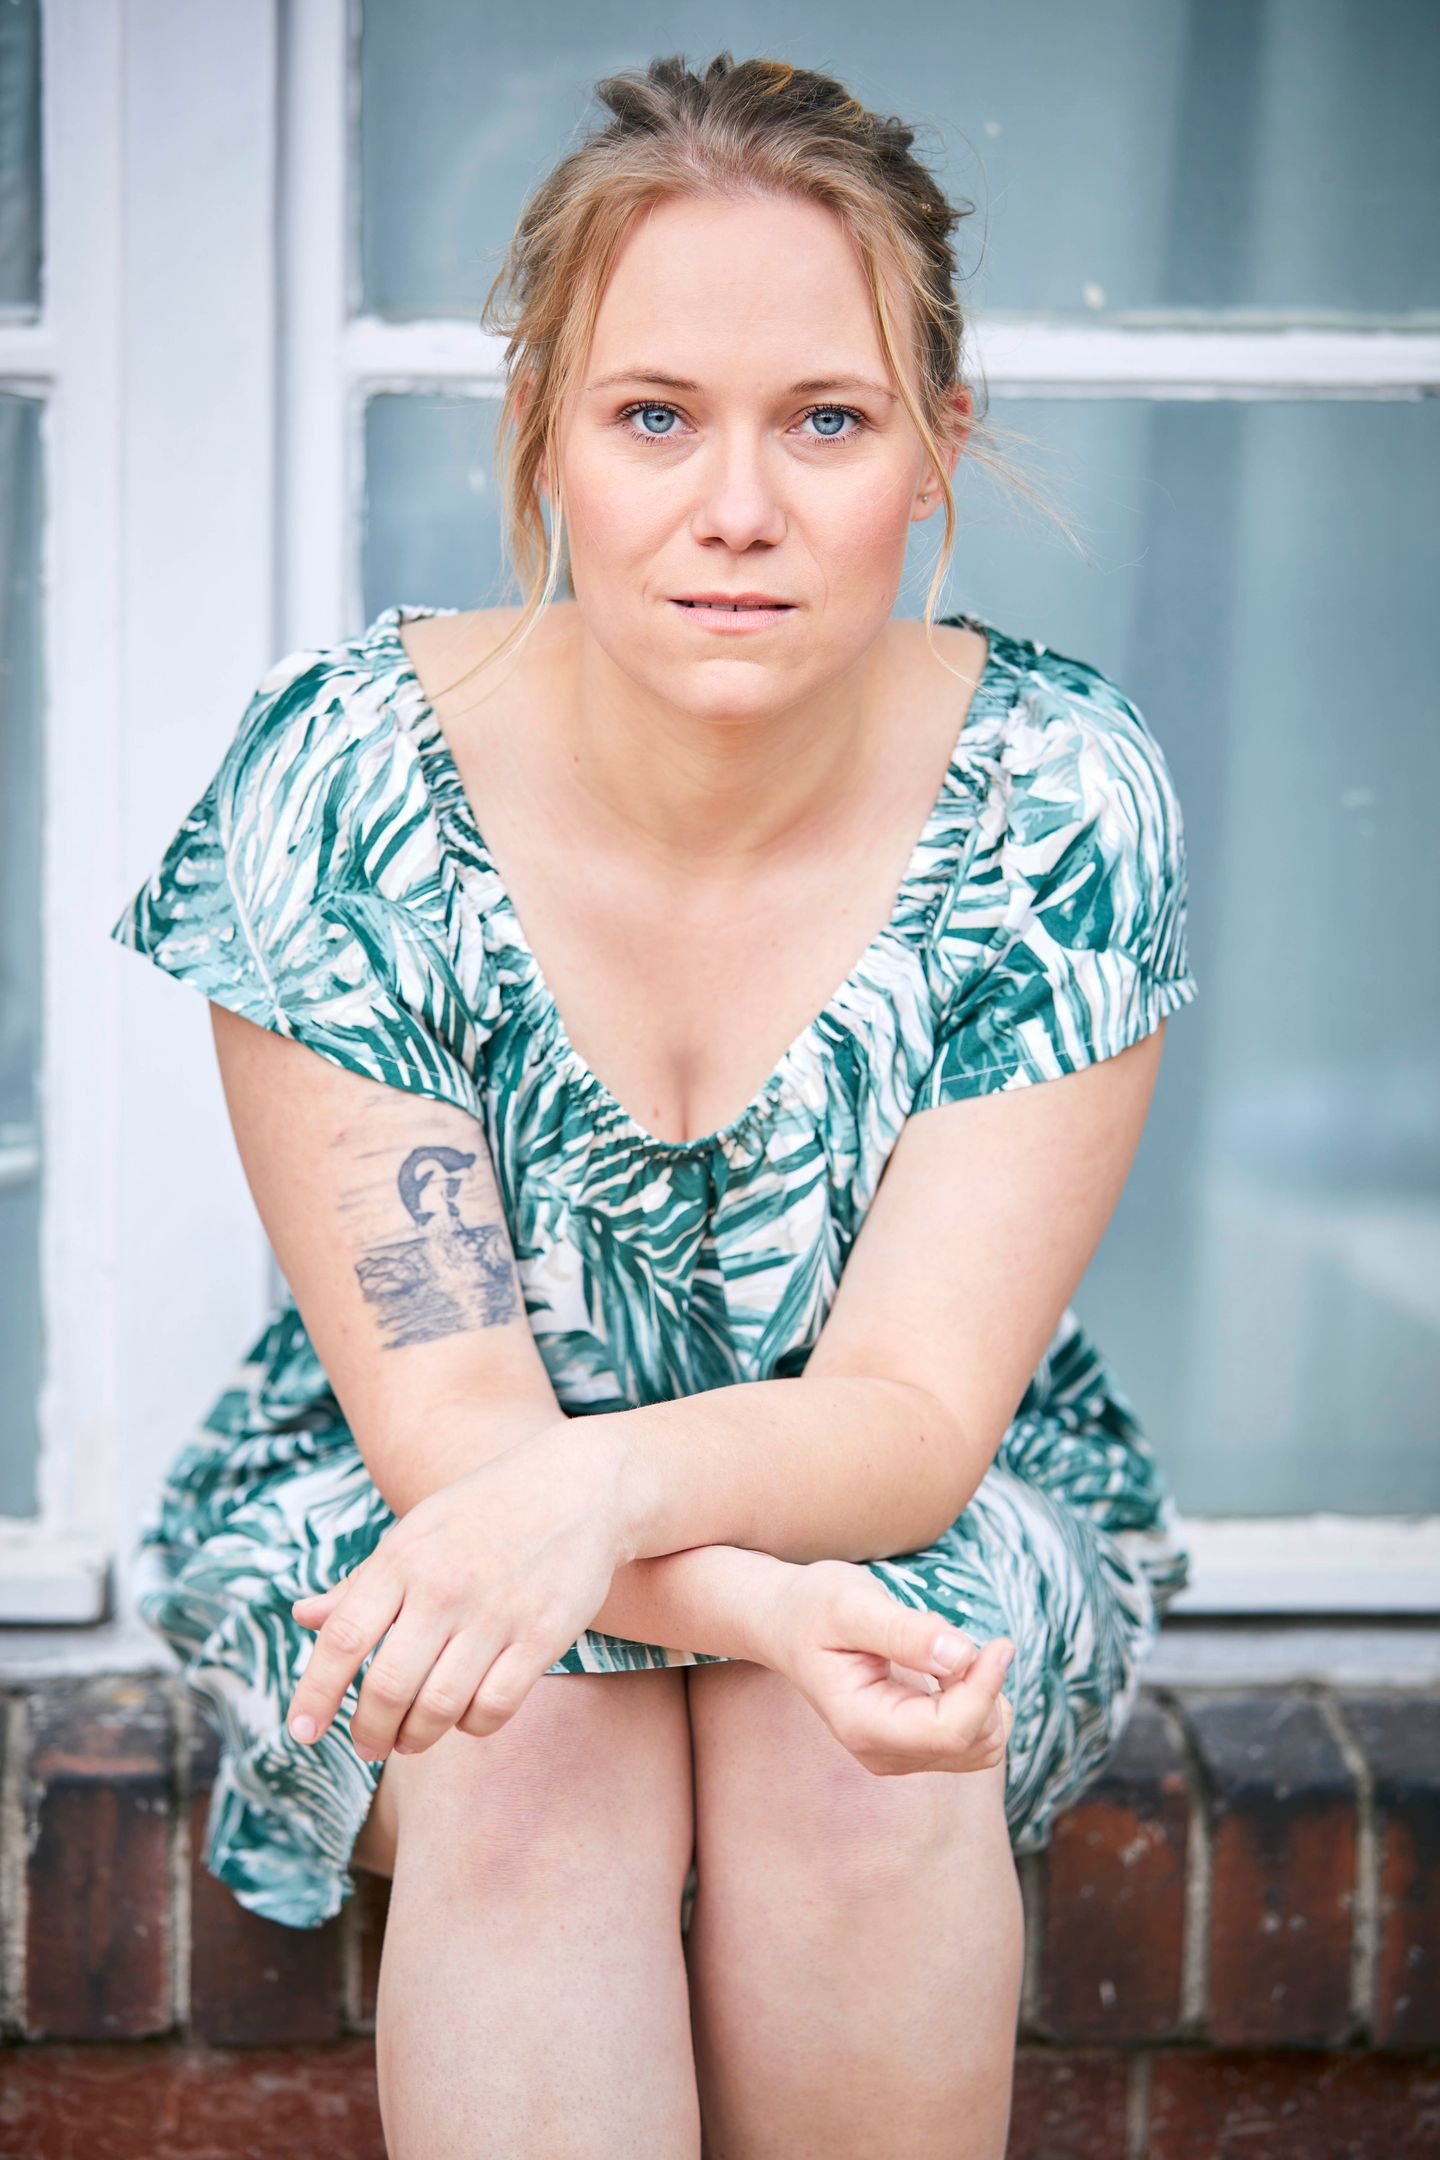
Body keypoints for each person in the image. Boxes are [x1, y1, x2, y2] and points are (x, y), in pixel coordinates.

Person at [110, 50, 1200, 2160]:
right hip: (423, 1483)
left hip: (921, 1495)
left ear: (935, 447)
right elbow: (461, 1446)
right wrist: (744, 1600)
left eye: (828, 420)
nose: (738, 509)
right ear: (544, 435)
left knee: (856, 1756)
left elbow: (911, 1417)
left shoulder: (1061, 796)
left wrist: (648, 1520)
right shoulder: (342, 784)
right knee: (523, 1744)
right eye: (652, 416)